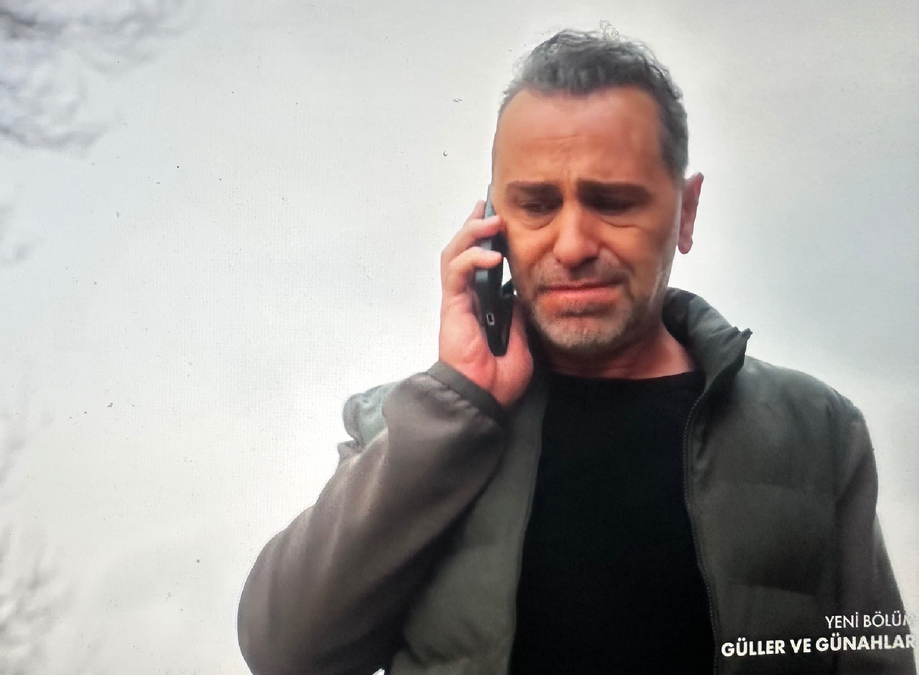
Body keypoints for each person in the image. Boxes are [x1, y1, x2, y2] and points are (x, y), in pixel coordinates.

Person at [237, 29, 914, 675]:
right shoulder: (411, 428)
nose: (571, 246)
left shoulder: (818, 430)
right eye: (536, 205)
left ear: (685, 211)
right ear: (492, 225)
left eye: (612, 201)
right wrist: (456, 406)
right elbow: (287, 653)